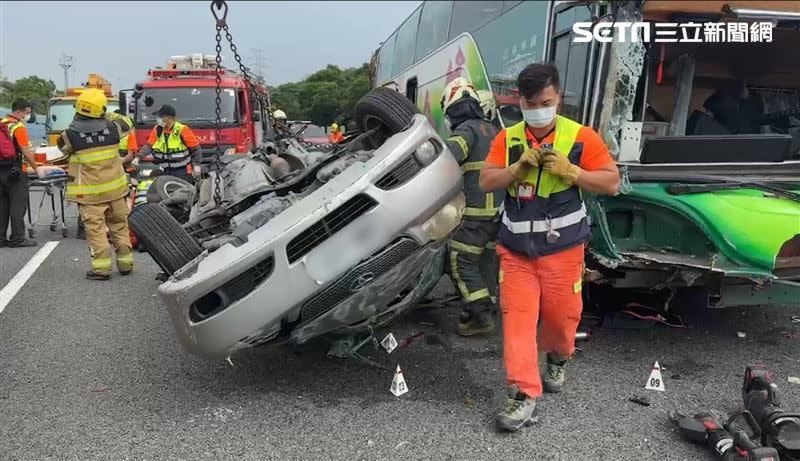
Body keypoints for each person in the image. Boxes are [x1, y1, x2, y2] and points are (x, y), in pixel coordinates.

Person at [479, 63, 620, 432]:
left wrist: (573, 173)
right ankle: (523, 393)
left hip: (564, 252)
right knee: (518, 321)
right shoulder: (507, 139)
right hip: (516, 253)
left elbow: (611, 182)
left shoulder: (581, 137)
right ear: (520, 102)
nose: (537, 108)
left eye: (544, 101)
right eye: (529, 102)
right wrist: (516, 169)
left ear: (558, 97)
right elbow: (485, 180)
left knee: (561, 319)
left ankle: (559, 355)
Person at [440, 78, 501, 337]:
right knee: (486, 260)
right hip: (499, 215)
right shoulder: (495, 131)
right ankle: (488, 304)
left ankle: (479, 315)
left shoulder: (466, 130)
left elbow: (445, 159)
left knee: (460, 259)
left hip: (475, 215)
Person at [57, 89, 134, 280]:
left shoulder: (69, 135)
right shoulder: (114, 128)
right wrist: (103, 115)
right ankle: (125, 265)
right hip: (116, 191)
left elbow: (62, 148)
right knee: (119, 227)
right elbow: (127, 121)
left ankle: (101, 269)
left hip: (90, 196)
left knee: (96, 231)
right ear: (102, 110)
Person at [0, 99, 44, 248]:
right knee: (18, 204)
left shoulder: (2, 122)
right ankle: (17, 238)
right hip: (16, 171)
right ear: (19, 111)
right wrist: (37, 168)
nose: (28, 115)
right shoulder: (18, 127)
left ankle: (1, 238)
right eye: (28, 112)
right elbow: (25, 151)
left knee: (2, 204)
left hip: (1, 169)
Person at [133, 104, 200, 181]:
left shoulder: (183, 130)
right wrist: (138, 157)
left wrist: (196, 165)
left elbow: (196, 149)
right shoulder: (157, 129)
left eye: (161, 117)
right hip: (163, 169)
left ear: (169, 118)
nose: (158, 119)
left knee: (180, 191)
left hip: (181, 170)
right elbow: (149, 146)